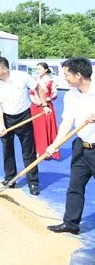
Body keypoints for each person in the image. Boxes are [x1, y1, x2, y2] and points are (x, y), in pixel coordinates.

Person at [0, 56, 51, 196]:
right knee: (7, 149)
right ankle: (10, 179)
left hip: (24, 116)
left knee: (28, 151)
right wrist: (1, 125)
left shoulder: (21, 76)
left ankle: (33, 182)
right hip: (5, 117)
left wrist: (44, 105)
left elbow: (38, 88)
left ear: (4, 69)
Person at [46, 57, 95, 235]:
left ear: (78, 75)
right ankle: (71, 223)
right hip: (81, 147)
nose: (64, 78)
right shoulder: (70, 95)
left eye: (67, 74)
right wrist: (55, 144)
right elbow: (67, 123)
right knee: (75, 186)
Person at [30, 62, 60, 159]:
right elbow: (31, 93)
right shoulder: (35, 81)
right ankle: (37, 150)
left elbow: (55, 94)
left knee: (45, 128)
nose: (38, 71)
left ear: (46, 70)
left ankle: (46, 150)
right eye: (37, 69)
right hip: (35, 107)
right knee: (35, 129)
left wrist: (47, 99)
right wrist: (34, 100)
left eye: (40, 69)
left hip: (46, 107)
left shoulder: (51, 82)